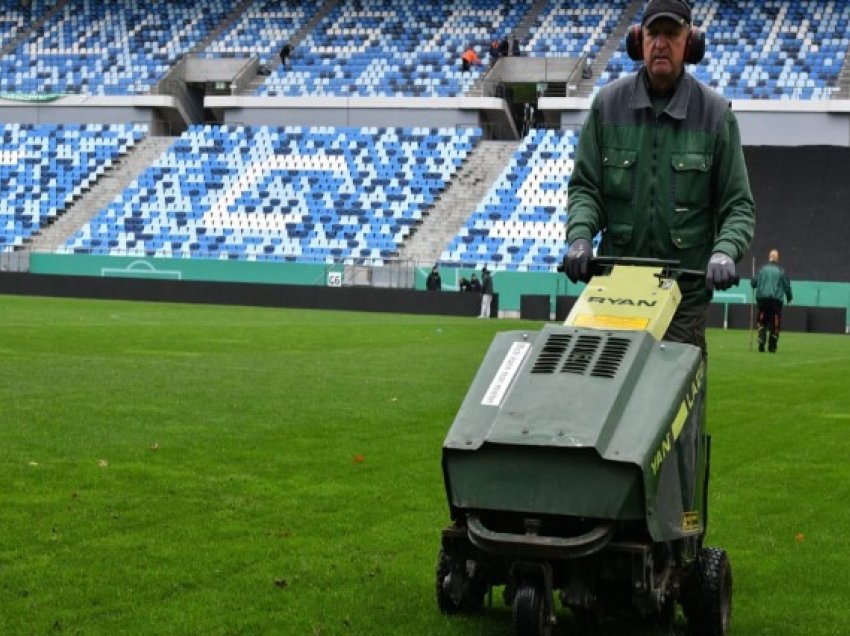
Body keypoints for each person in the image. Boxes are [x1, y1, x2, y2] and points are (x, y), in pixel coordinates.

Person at [563, 0, 755, 355]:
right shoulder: (606, 106)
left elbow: (738, 205)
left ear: (691, 43)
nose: (661, 43)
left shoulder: (715, 116)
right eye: (654, 33)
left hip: (682, 303)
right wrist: (579, 238)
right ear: (639, 41)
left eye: (672, 34)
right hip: (614, 295)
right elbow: (586, 189)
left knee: (669, 406)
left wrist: (725, 252)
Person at [751, 248, 793, 353]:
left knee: (762, 321)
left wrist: (752, 280)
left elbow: (753, 283)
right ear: (777, 258)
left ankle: (761, 342)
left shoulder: (762, 269)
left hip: (762, 300)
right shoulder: (780, 271)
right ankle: (772, 346)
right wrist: (790, 298)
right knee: (775, 323)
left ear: (769, 258)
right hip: (775, 301)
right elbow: (786, 286)